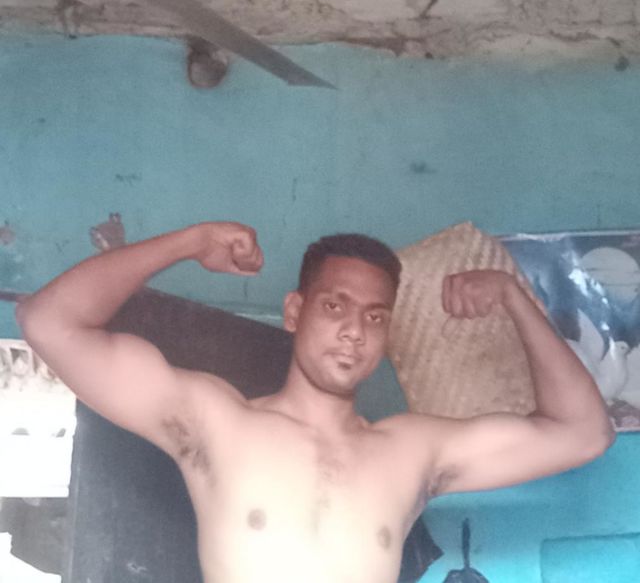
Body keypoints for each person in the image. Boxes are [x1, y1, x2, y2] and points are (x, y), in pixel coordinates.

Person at [16, 222, 614, 583]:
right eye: (335, 307)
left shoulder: (413, 452)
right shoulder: (215, 424)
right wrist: (188, 242)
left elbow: (584, 432)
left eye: (374, 317)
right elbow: (49, 322)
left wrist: (513, 298)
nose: (354, 331)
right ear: (294, 312)